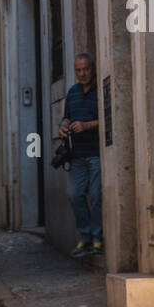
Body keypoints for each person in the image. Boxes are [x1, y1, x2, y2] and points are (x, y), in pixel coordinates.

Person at [59, 53, 102, 258]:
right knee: (74, 195)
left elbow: (107, 118)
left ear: (92, 69)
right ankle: (84, 237)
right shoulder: (73, 92)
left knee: (96, 197)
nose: (82, 73)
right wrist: (63, 125)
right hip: (76, 155)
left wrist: (86, 125)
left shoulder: (100, 90)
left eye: (85, 69)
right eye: (78, 70)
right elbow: (66, 117)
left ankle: (96, 239)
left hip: (95, 154)